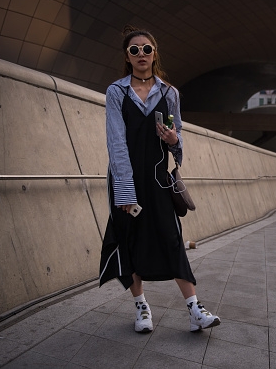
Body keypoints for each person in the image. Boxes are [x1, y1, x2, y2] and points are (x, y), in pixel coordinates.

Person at [99, 25, 220, 333]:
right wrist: (125, 191)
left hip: (158, 180)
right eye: (134, 49)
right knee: (130, 241)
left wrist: (171, 137)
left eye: (146, 49)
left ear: (155, 54)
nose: (141, 54)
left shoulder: (169, 93)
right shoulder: (117, 92)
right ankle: (141, 308)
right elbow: (116, 142)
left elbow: (178, 144)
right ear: (127, 57)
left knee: (171, 238)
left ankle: (194, 310)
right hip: (126, 180)